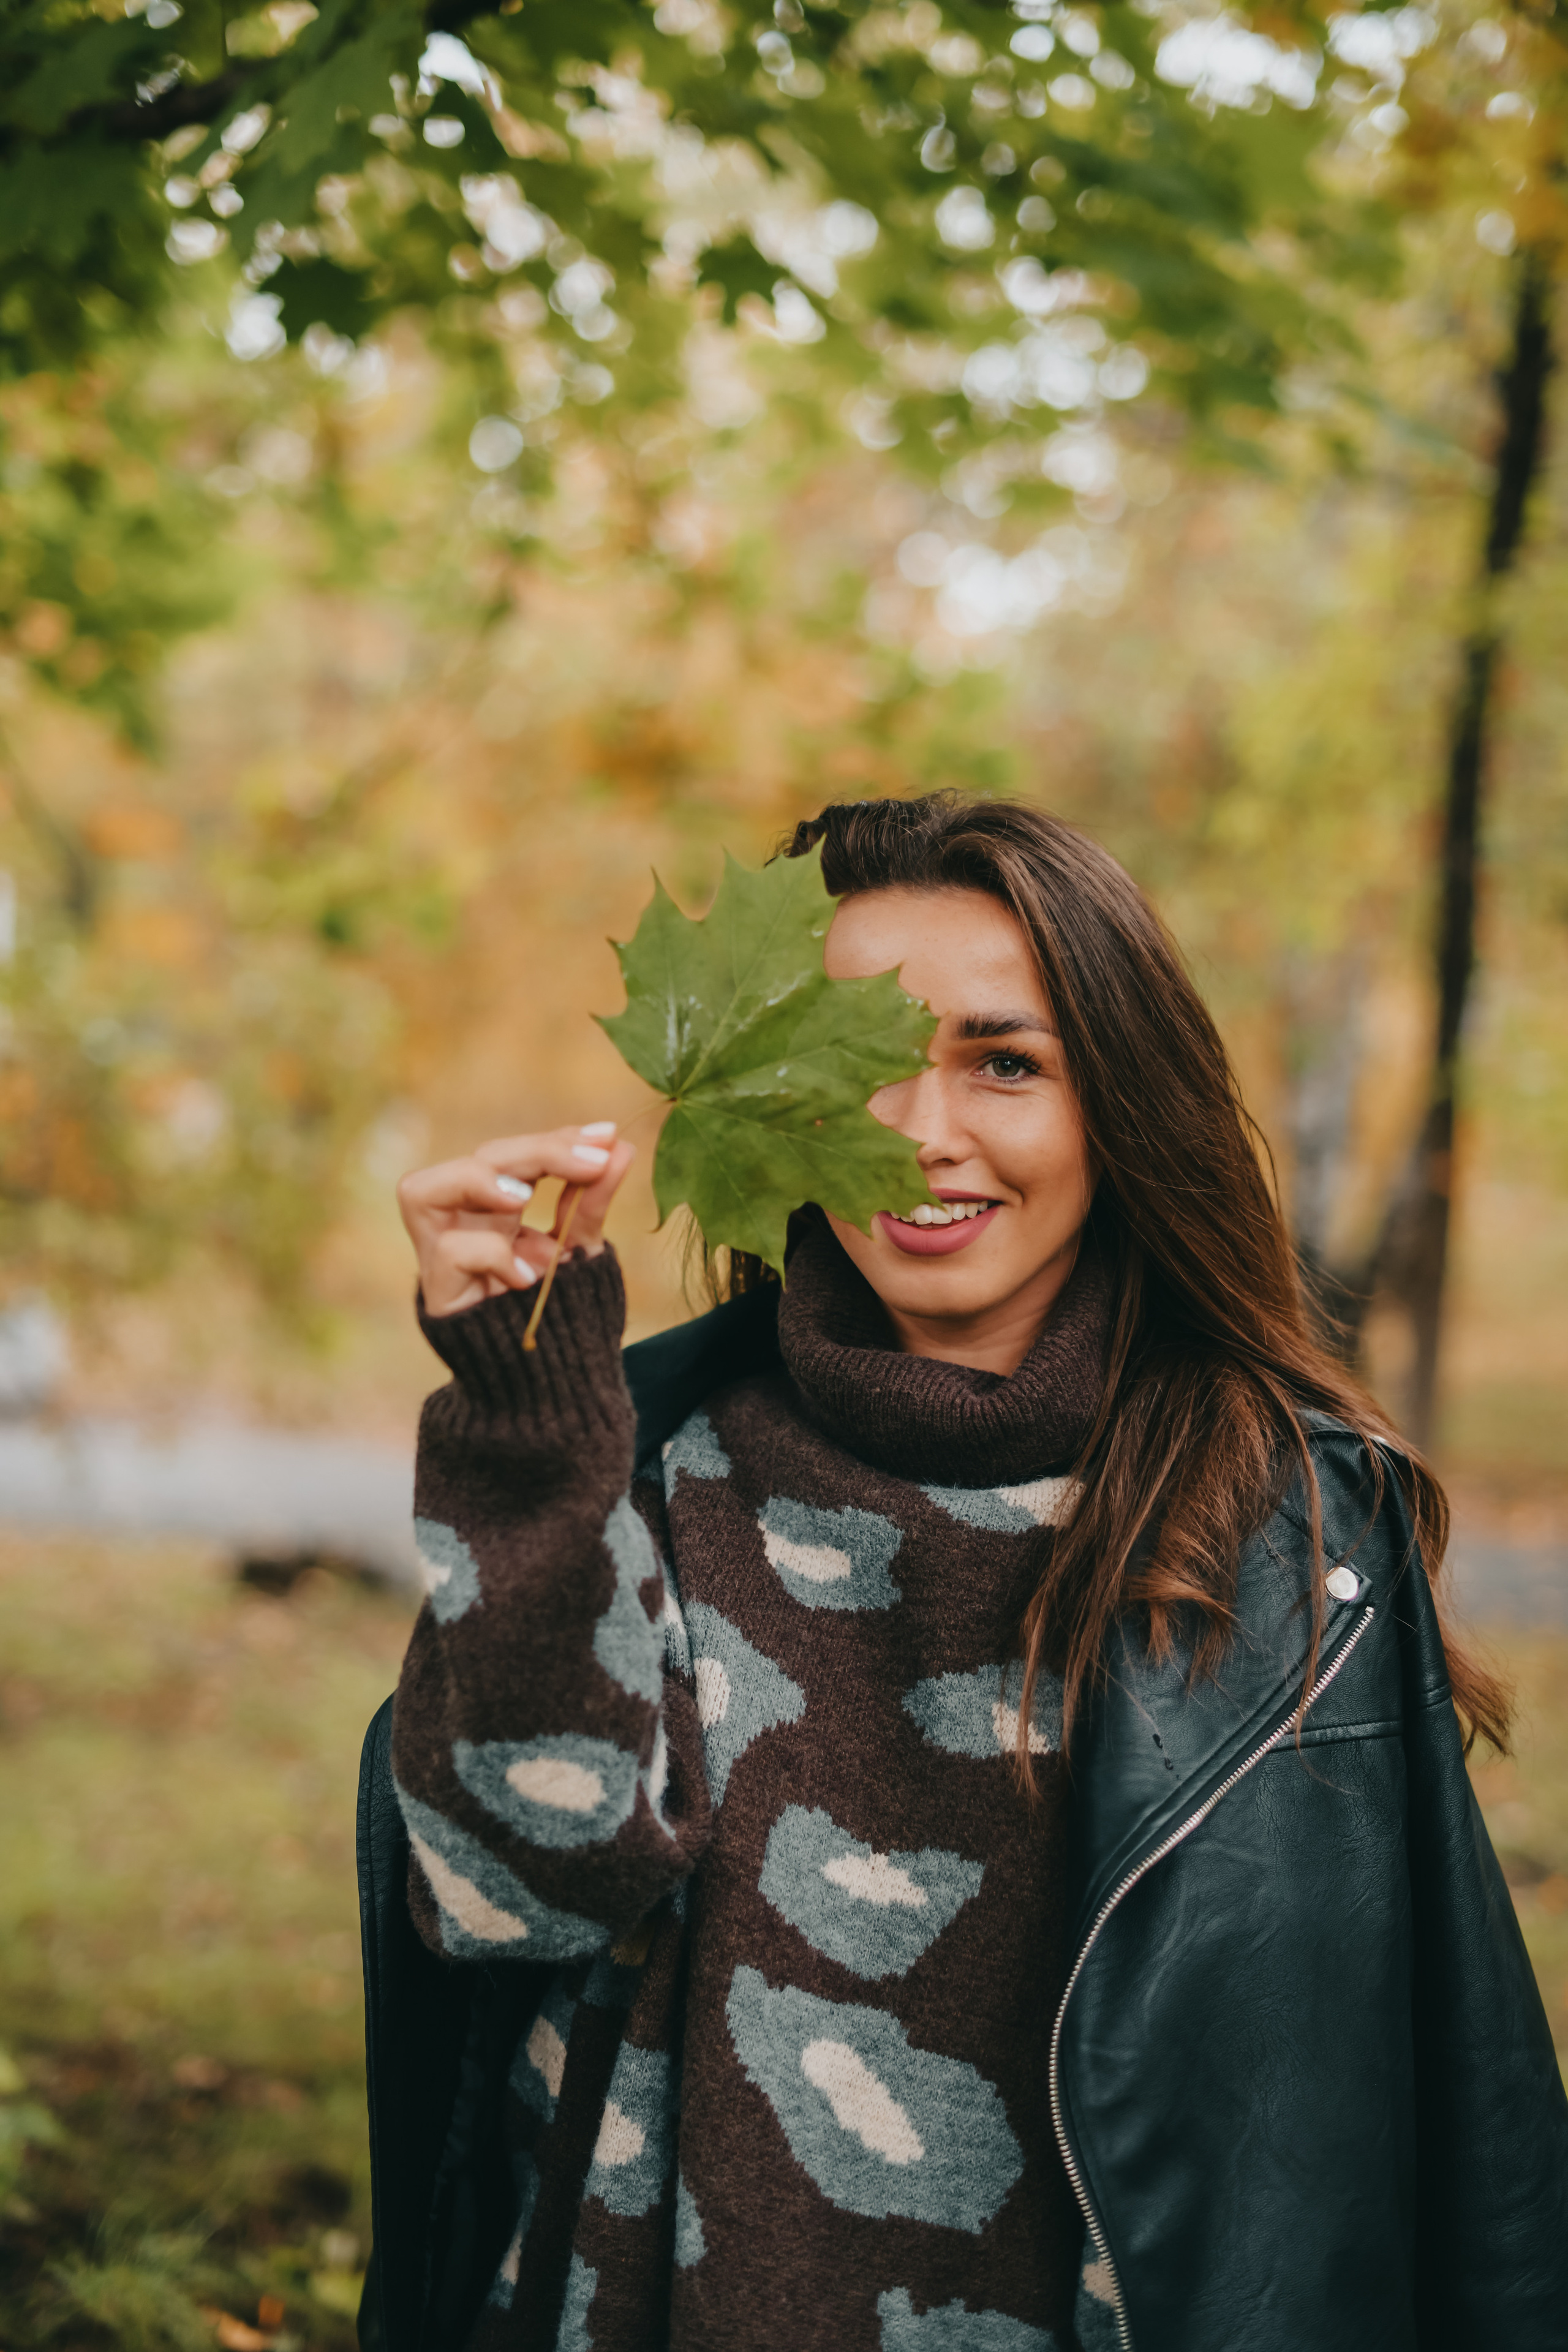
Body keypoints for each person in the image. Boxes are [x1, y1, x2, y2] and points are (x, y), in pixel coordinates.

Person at [379, 794, 1567, 2352]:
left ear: (1118, 1106)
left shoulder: (1290, 1522)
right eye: (856, 1064)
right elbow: (508, 1901)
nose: (917, 1133)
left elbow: (1428, 2074)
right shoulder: (646, 1465)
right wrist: (528, 1437)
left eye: (1003, 1063)